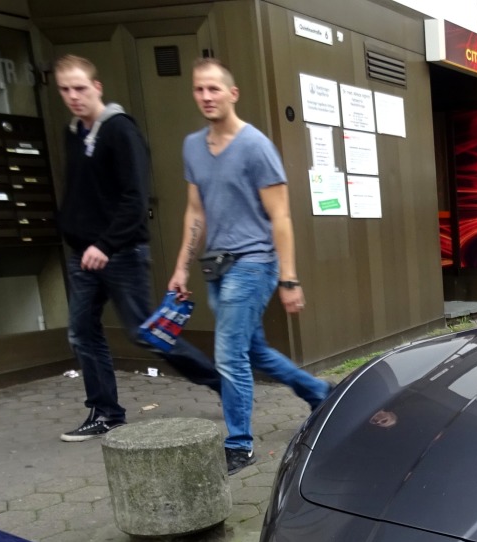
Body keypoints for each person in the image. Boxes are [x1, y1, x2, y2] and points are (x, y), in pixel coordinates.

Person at [168, 58, 330, 475]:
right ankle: (319, 393)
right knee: (251, 349)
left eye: (214, 89)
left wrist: (289, 278)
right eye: (199, 89)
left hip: (255, 264)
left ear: (232, 93)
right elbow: (195, 210)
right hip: (216, 267)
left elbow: (282, 217)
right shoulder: (192, 146)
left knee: (229, 354)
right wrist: (181, 268)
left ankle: (239, 443)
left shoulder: (256, 146)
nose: (206, 96)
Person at [53, 54, 221, 442]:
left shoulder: (120, 131)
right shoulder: (73, 132)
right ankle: (106, 412)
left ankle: (223, 385)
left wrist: (106, 244)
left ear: (96, 87)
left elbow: (135, 198)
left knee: (147, 333)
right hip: (83, 255)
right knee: (81, 332)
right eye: (65, 89)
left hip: (122, 252)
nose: (73, 96)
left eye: (80, 88)